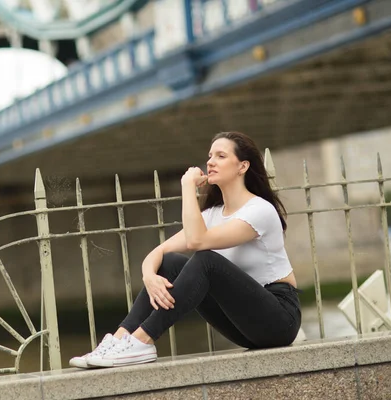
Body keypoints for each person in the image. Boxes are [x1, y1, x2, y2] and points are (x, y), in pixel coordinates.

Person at [69, 131, 301, 369]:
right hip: (243, 325)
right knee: (169, 263)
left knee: (206, 261)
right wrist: (149, 277)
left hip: (279, 320)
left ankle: (142, 339)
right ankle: (119, 340)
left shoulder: (259, 210)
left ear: (242, 166)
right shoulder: (212, 215)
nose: (210, 161)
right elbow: (158, 253)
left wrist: (187, 186)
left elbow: (197, 242)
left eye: (221, 156)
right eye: (210, 155)